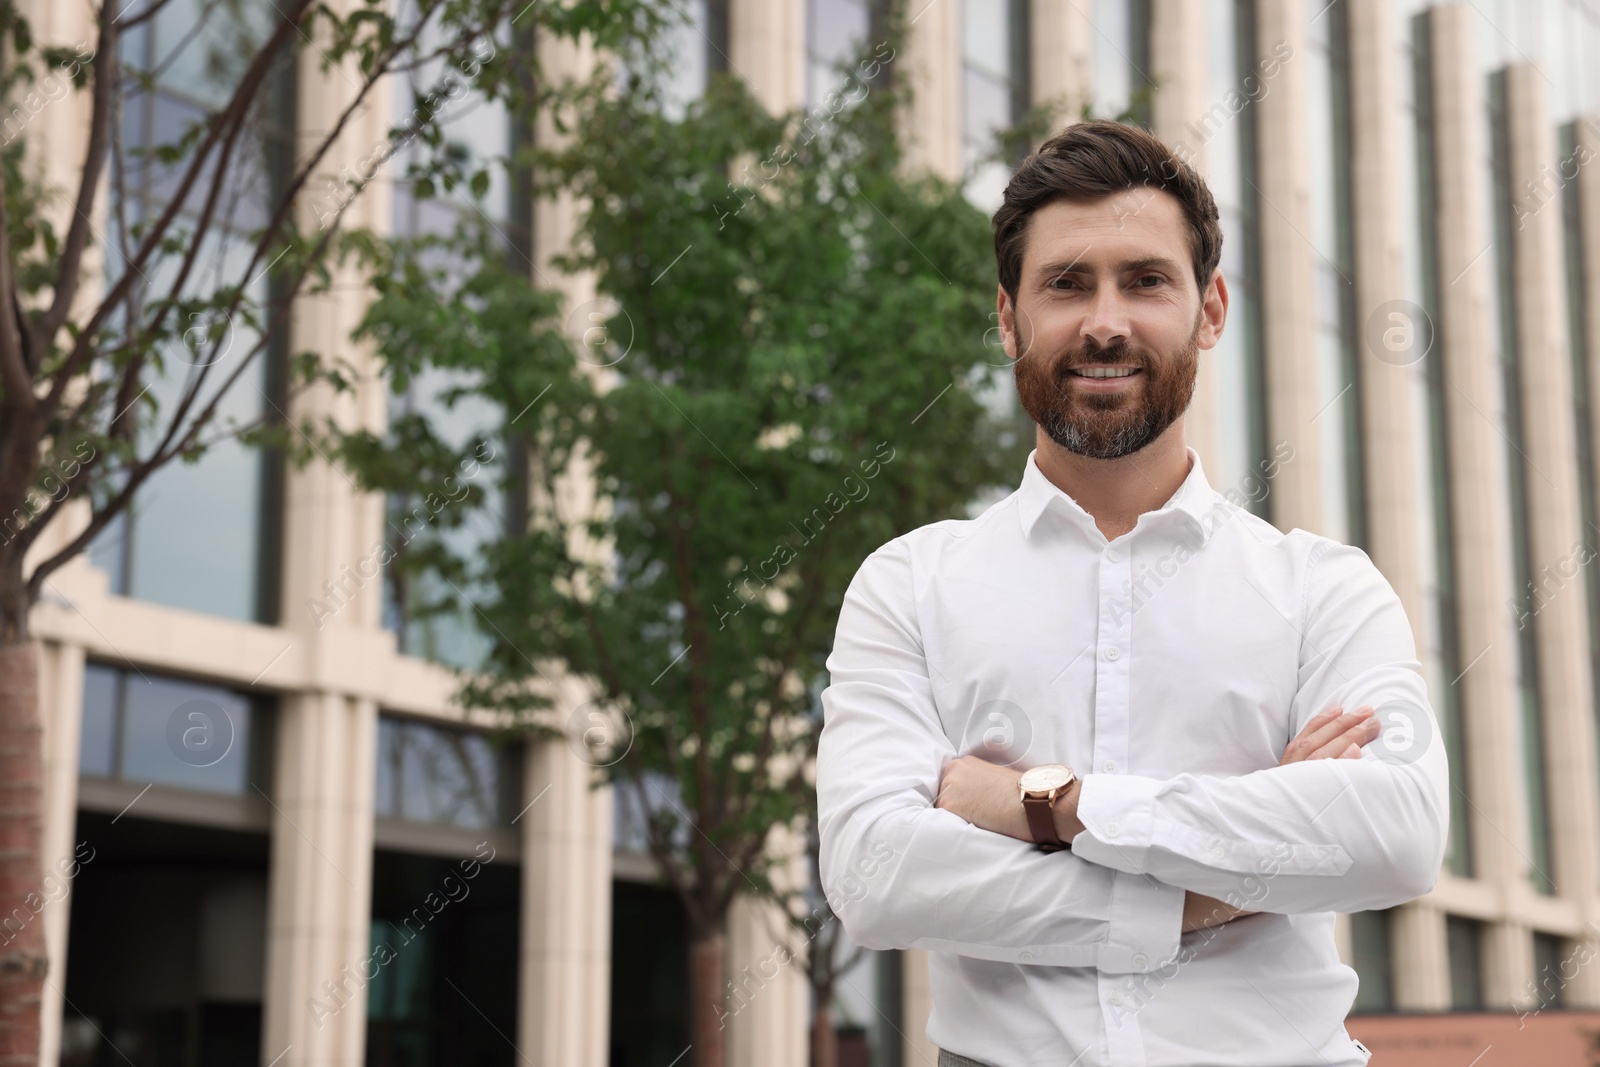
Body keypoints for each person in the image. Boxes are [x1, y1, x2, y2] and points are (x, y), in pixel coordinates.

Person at [815, 120, 1447, 1067]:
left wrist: (1051, 805)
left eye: (1145, 280)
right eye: (1066, 283)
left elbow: (1395, 835)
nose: (1104, 321)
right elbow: (874, 871)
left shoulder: (1324, 589)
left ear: (1210, 310)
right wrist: (1225, 872)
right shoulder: (909, 583)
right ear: (1007, 317)